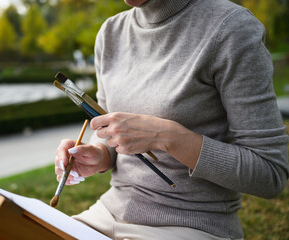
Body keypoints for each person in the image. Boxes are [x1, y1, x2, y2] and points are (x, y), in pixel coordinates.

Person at [54, 0, 289, 239]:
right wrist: (98, 153)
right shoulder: (111, 32)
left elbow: (270, 175)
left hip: (190, 224)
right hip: (107, 213)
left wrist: (169, 137)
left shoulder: (231, 28)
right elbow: (109, 130)